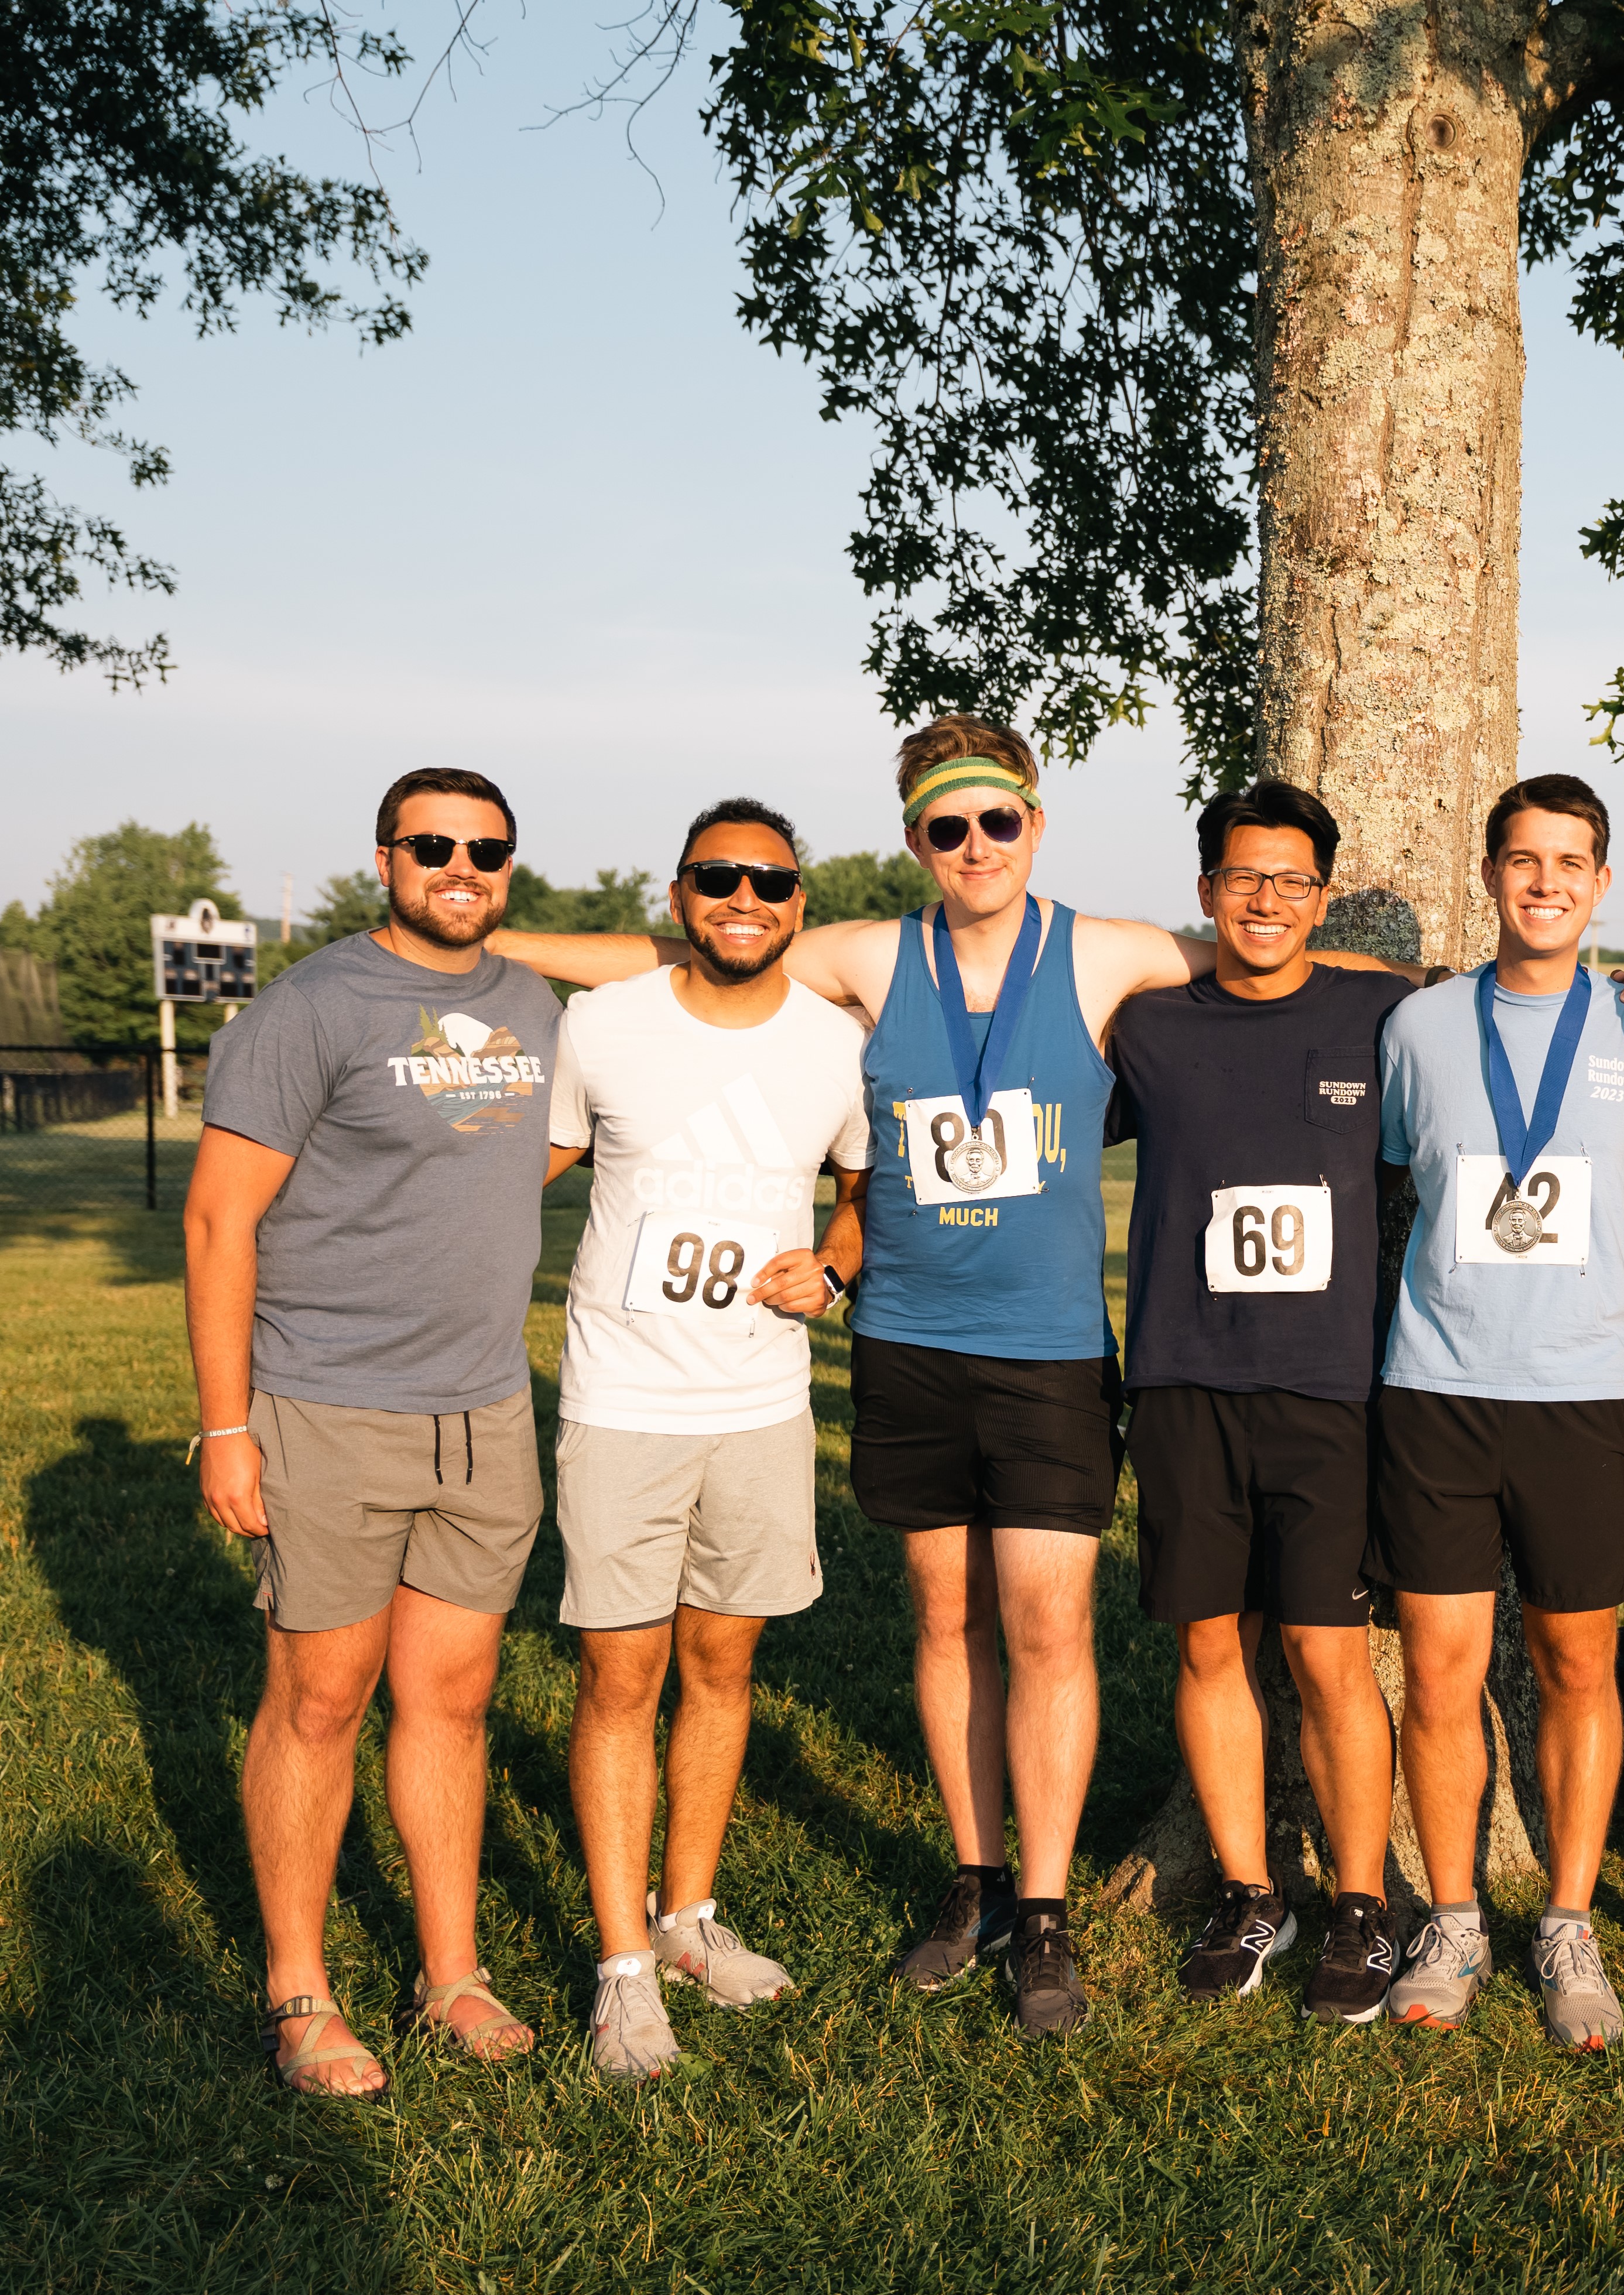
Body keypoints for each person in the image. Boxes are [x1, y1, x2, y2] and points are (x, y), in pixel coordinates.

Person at [492, 714, 1347, 2036]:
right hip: (908, 1341)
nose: (975, 847)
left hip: (1054, 1348)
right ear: (916, 842)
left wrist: (1495, 979)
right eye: (946, 828)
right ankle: (978, 1877)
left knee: (1050, 1623)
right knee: (946, 1620)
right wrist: (481, 936)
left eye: (996, 820)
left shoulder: (1107, 951)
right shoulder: (872, 956)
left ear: (1034, 823)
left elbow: (1268, 946)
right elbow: (674, 947)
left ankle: (1050, 1910)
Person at [186, 768, 563, 2097]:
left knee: (452, 1701)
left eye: (488, 848)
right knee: (321, 1695)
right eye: (435, 845)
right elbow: (219, 1217)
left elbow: (678, 950)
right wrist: (226, 1425)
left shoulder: (529, 1000)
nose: (461, 866)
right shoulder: (311, 1006)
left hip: (485, 1412)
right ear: (386, 855)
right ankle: (299, 1991)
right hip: (327, 1404)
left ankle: (450, 1971)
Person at [542, 799, 871, 2082]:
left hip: (759, 1406)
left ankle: (687, 1920)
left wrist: (834, 1273)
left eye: (772, 880)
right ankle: (622, 1966)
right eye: (719, 875)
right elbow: (542, 1157)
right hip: (624, 1404)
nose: (747, 896)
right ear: (679, 893)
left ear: (800, 899)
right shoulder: (603, 1022)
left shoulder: (833, 1043)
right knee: (620, 1681)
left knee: (723, 1669)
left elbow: (862, 1189)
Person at [1375, 775, 1624, 2049]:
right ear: (1491, 873)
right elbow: (1404, 1171)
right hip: (1438, 1392)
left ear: (1602, 883)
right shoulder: (1420, 1029)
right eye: (1524, 859)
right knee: (1443, 1672)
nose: (1546, 881)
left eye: (1571, 862)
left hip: (1583, 1398)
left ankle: (1567, 1917)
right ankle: (1453, 1917)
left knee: (1574, 1664)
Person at [1103, 783, 1410, 2020]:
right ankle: (1247, 1889)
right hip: (1184, 1375)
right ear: (1206, 892)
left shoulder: (1382, 1016)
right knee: (1209, 1639)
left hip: (1329, 1386)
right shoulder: (1151, 1027)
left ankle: (1359, 1901)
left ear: (1323, 898)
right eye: (1244, 878)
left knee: (1330, 1651)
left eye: (1292, 880)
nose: (1267, 899)